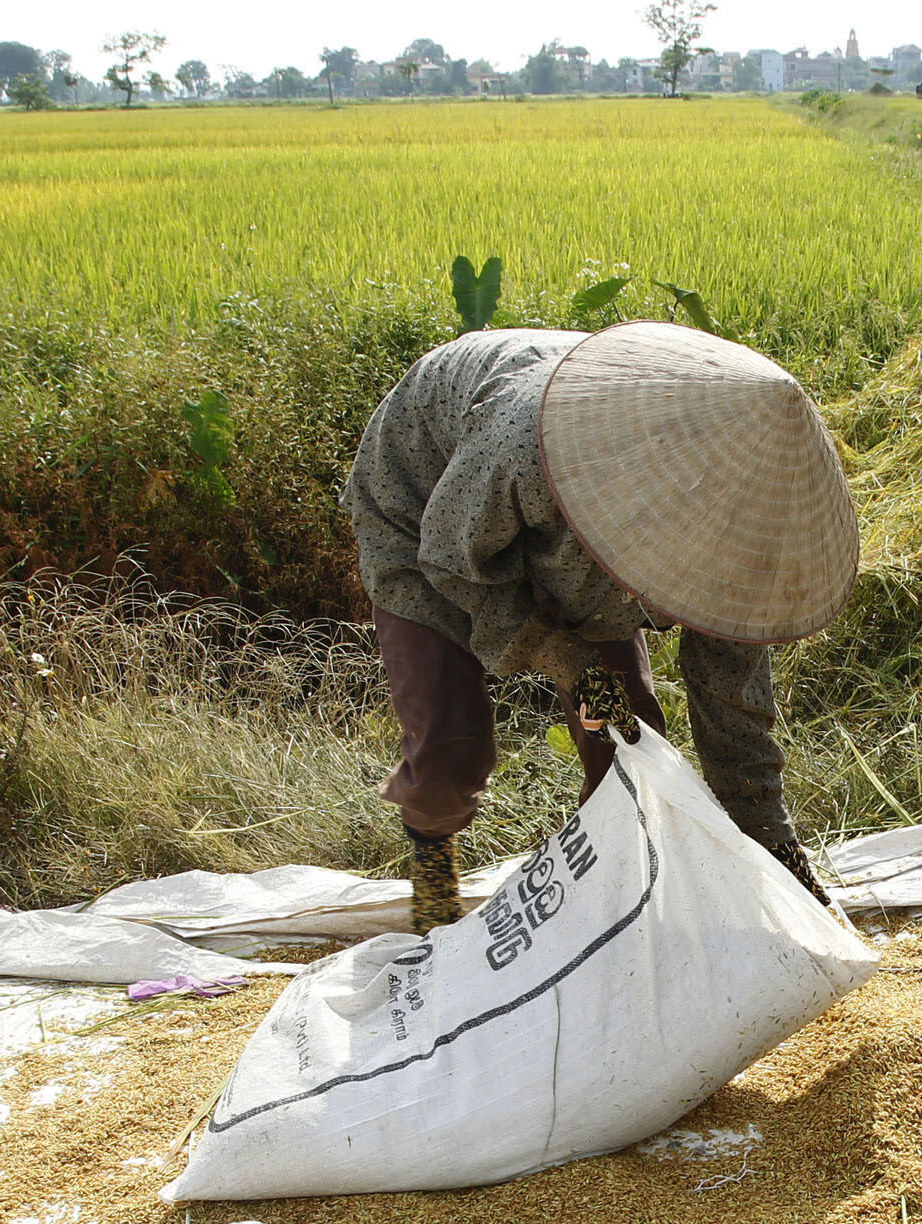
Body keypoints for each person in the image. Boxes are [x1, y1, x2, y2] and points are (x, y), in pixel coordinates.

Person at [344, 320, 860, 935]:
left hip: (565, 550)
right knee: (449, 753)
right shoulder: (523, 439)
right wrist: (561, 656)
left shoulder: (735, 533)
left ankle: (611, 909)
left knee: (628, 737)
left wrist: (777, 855)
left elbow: (733, 711)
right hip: (428, 517)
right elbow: (454, 560)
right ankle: (431, 875)